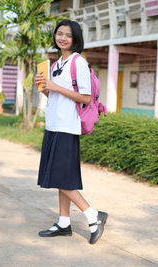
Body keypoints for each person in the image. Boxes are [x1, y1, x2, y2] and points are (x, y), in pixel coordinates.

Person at [35, 19, 107, 244]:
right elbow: (57, 97)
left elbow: (85, 98)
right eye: (59, 34)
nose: (62, 38)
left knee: (64, 178)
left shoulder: (79, 62)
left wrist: (56, 86)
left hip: (68, 127)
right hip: (53, 125)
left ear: (75, 39)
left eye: (68, 35)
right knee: (60, 177)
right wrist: (45, 88)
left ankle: (93, 215)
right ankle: (64, 223)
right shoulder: (56, 64)